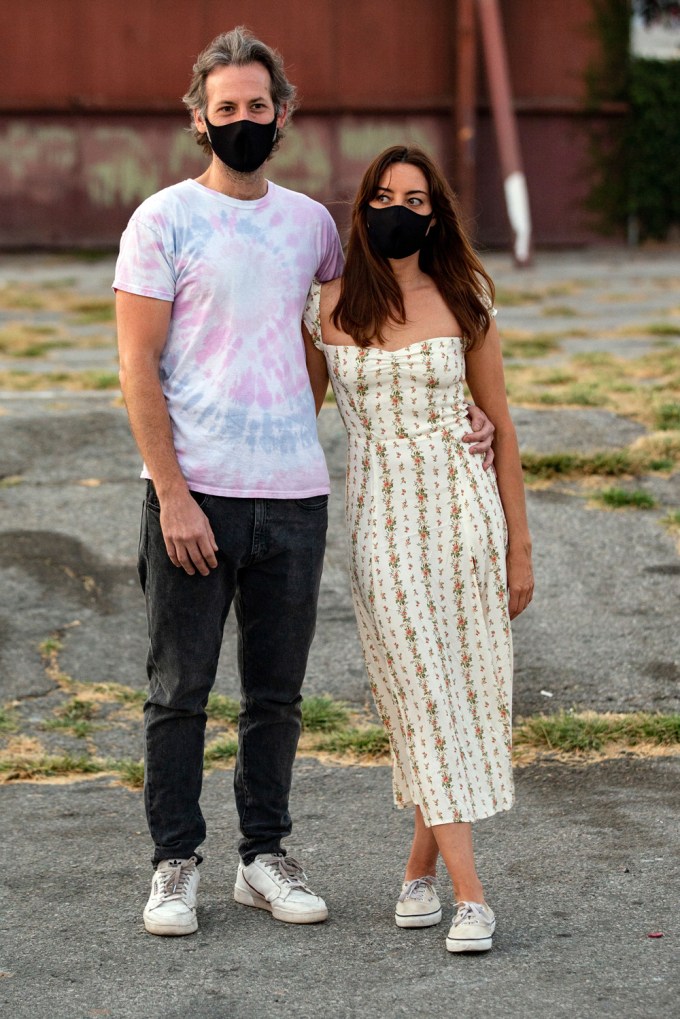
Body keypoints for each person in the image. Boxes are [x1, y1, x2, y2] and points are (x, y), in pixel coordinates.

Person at [114, 28, 495, 938]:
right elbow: (136, 365)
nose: (243, 120)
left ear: (283, 115)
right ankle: (175, 863)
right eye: (225, 107)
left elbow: (352, 341)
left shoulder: (315, 227)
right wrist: (171, 492)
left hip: (294, 493)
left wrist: (456, 406)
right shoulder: (161, 220)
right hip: (194, 493)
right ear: (199, 119)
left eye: (258, 105)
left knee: (276, 695)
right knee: (180, 690)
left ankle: (263, 856)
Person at [302, 145, 534, 954]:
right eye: (384, 194)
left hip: (465, 517)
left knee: (463, 693)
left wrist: (520, 549)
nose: (399, 207)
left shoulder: (467, 299)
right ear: (363, 207)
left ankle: (418, 875)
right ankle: (474, 896)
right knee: (421, 697)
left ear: (434, 214)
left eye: (416, 196)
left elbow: (500, 429)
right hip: (383, 525)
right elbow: (297, 419)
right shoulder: (326, 306)